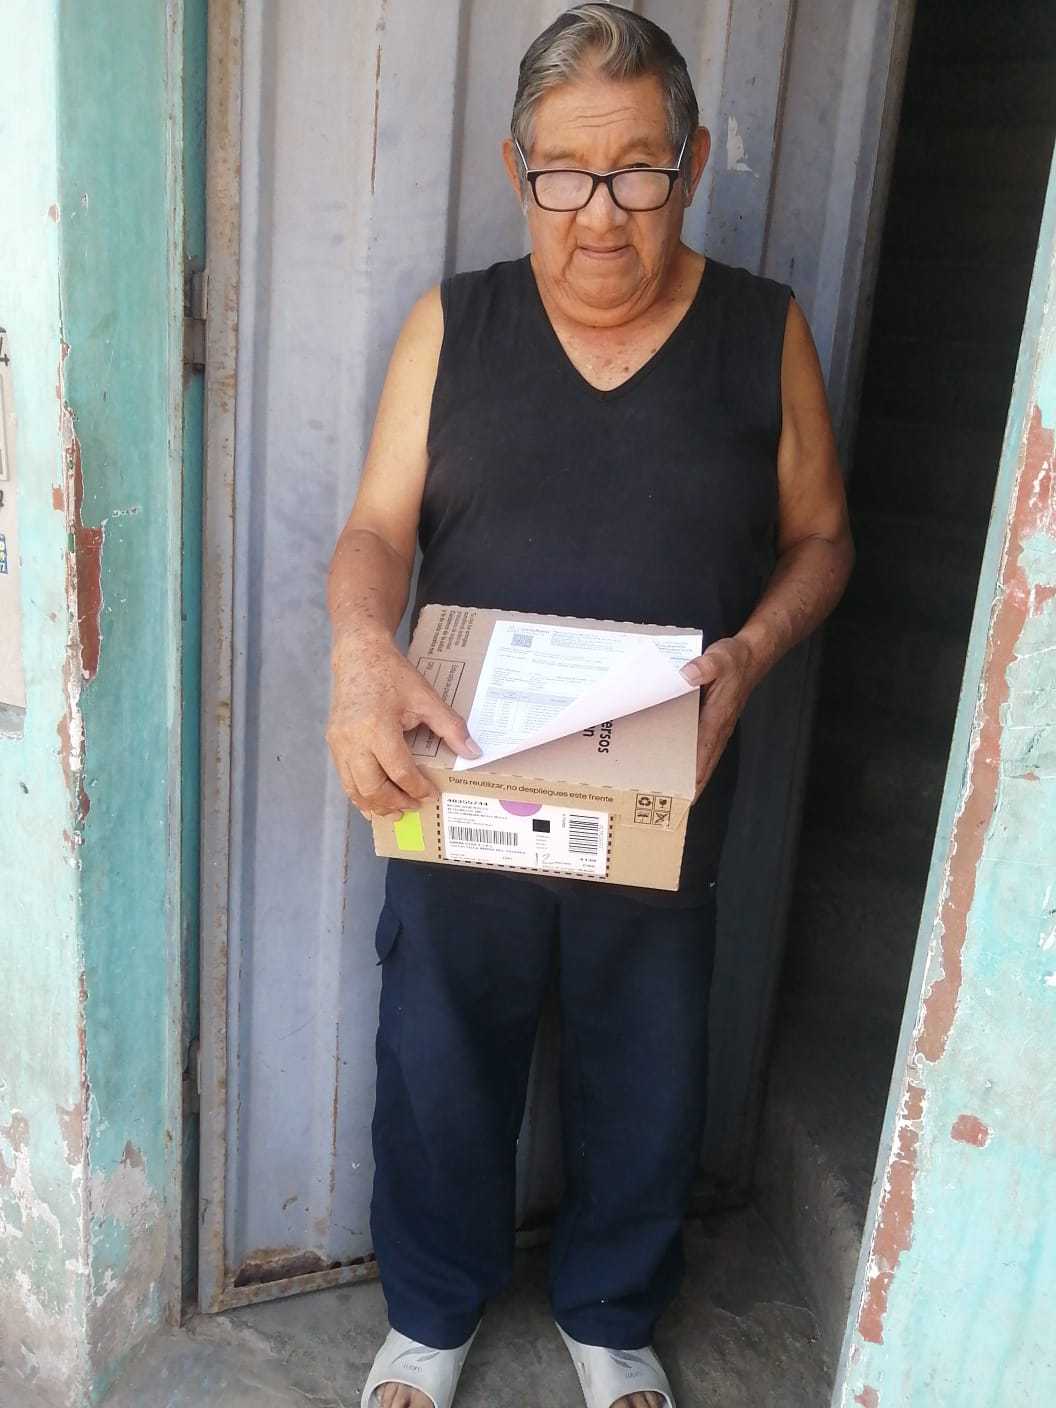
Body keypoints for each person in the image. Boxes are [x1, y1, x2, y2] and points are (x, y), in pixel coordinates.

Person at [326, 7, 853, 1407]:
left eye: (637, 171)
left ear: (692, 165)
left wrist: (753, 651)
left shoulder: (761, 333)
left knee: (647, 1060)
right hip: (465, 776)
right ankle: (429, 1319)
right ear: (519, 171)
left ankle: (613, 1315)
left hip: (663, 786)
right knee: (439, 1047)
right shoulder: (456, 324)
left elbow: (823, 539)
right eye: (565, 173)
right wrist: (361, 649)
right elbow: (377, 529)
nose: (601, 212)